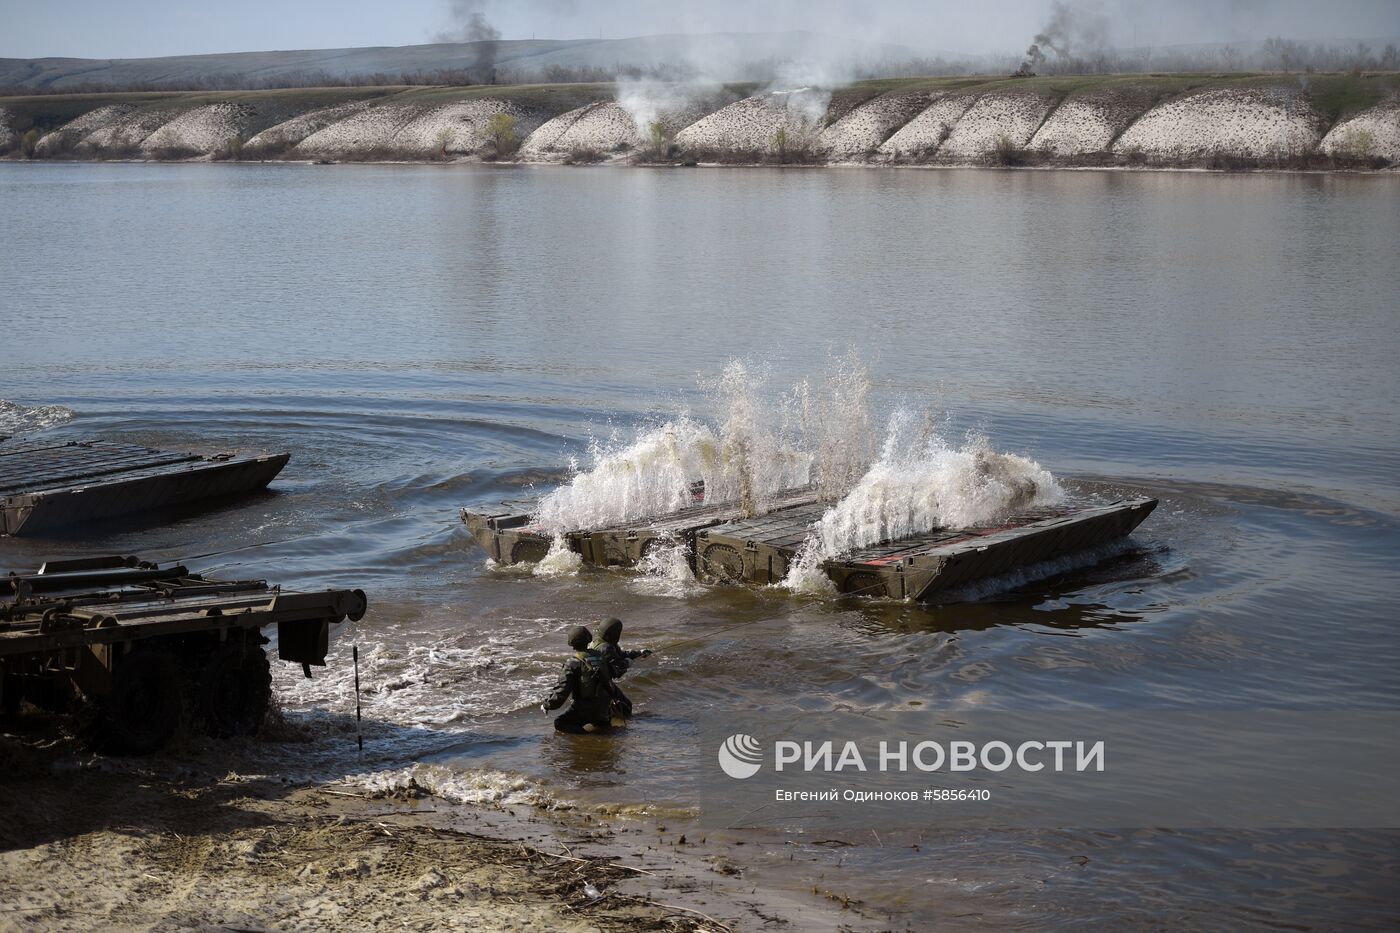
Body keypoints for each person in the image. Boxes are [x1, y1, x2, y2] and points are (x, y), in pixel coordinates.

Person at [541, 625, 614, 734]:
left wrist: (548, 704)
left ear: (571, 643)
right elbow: (613, 675)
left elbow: (562, 690)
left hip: (585, 707)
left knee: (560, 723)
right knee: (601, 725)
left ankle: (587, 740)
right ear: (589, 639)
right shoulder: (600, 656)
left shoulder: (573, 662)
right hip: (604, 707)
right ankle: (602, 729)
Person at [590, 617, 652, 721]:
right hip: (600, 685)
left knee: (623, 706)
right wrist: (628, 662)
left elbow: (621, 655)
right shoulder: (606, 648)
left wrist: (639, 653)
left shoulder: (599, 642)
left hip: (598, 682)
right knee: (626, 707)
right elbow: (619, 669)